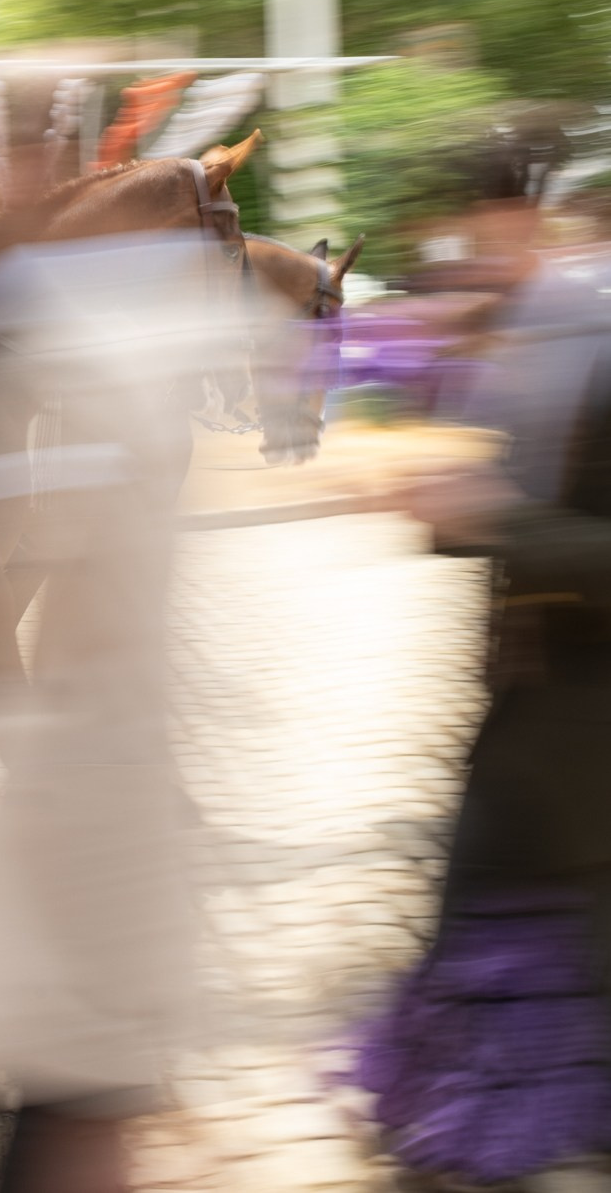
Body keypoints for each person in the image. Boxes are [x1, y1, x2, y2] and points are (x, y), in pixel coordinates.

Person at [354, 133, 611, 1187]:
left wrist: (493, 518)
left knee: (513, 918)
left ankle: (484, 1132)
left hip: (581, 731)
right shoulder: (542, 334)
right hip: (533, 714)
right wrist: (441, 501)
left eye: (508, 224)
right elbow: (496, 500)